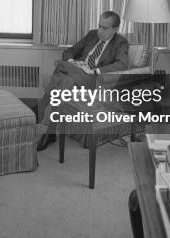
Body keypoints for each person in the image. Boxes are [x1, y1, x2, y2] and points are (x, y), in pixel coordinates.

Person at [37, 11, 129, 150]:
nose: (100, 31)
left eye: (105, 28)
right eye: (99, 26)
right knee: (66, 82)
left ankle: (42, 106)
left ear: (115, 29)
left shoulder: (120, 42)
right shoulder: (92, 35)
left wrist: (94, 71)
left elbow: (122, 64)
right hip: (76, 72)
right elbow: (69, 51)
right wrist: (73, 62)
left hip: (93, 78)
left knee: (61, 66)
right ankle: (51, 131)